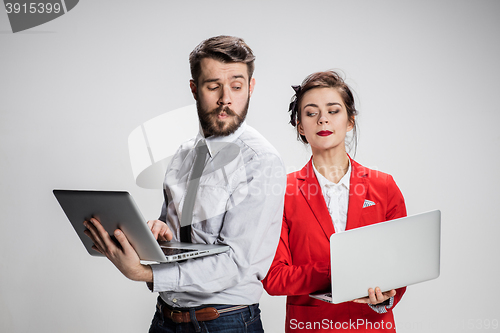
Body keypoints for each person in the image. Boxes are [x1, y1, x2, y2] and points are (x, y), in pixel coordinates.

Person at [84, 35, 286, 333]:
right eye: (213, 85)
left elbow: (236, 263)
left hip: (226, 323)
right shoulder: (184, 153)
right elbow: (177, 234)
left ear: (251, 88)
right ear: (194, 89)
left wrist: (144, 273)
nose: (225, 98)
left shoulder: (261, 161)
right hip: (167, 317)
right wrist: (159, 234)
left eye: (237, 86)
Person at [262, 71, 407, 332]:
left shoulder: (383, 186)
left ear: (350, 121)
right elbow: (274, 278)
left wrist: (385, 297)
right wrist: (338, 270)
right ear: (300, 126)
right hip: (311, 325)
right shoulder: (282, 191)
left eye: (333, 110)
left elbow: (401, 266)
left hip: (371, 324)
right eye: (311, 113)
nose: (323, 119)